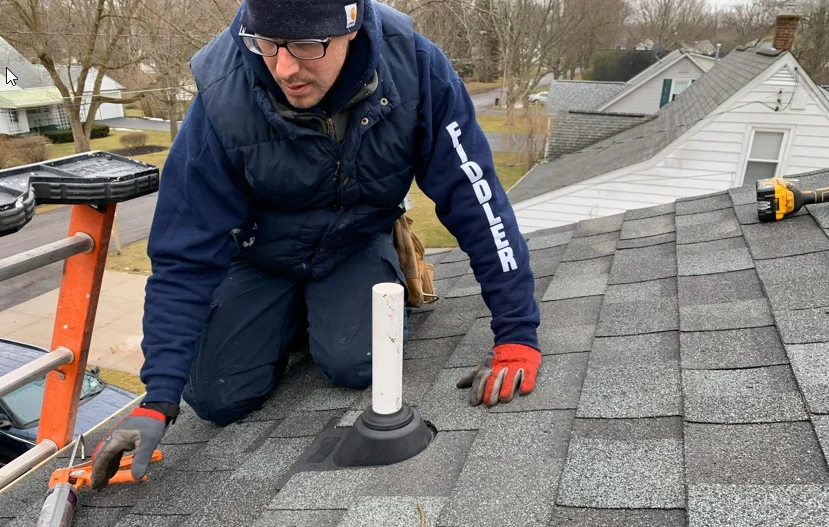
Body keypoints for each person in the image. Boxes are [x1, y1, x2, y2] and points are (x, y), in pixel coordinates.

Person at [90, 0, 541, 489]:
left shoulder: (414, 68)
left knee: (356, 364)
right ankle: (296, 313)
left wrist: (516, 333)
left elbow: (478, 203)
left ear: (352, 28)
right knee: (217, 398)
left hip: (355, 240)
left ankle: (364, 281)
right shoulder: (223, 95)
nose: (285, 67)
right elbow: (183, 251)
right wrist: (156, 399)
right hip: (261, 253)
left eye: (307, 45)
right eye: (267, 43)